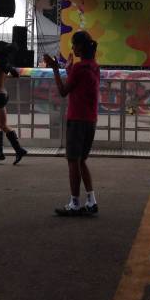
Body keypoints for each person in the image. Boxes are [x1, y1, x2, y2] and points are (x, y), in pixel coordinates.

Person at [43, 31, 100, 216]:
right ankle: (91, 200)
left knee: (72, 162)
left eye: (74, 45)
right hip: (90, 120)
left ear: (81, 46)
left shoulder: (79, 68)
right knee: (82, 160)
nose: (73, 48)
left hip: (76, 120)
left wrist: (54, 68)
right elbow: (80, 84)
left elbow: (63, 91)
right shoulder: (93, 67)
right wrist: (68, 70)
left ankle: (75, 203)